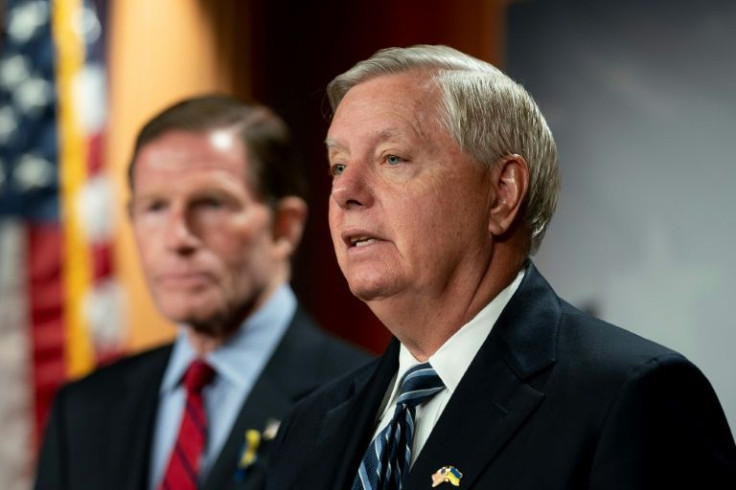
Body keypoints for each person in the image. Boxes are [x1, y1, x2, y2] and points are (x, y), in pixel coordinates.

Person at [265, 45, 736, 489]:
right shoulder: (307, 427)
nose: (347, 192)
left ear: (502, 193)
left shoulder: (633, 400)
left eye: (392, 158)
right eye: (338, 166)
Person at [34, 95, 370, 490]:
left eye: (211, 203)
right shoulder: (83, 409)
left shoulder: (365, 399)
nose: (178, 238)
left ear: (284, 227)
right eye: (155, 207)